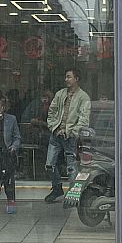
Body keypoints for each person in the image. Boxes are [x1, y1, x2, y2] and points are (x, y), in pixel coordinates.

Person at [44, 68, 91, 203]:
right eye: (66, 77)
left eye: (69, 77)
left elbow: (84, 120)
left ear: (76, 79)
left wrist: (72, 132)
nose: (66, 79)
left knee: (71, 167)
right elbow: (51, 112)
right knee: (49, 165)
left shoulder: (83, 97)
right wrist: (54, 128)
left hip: (71, 137)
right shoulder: (60, 94)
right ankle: (57, 188)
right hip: (56, 135)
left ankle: (72, 195)